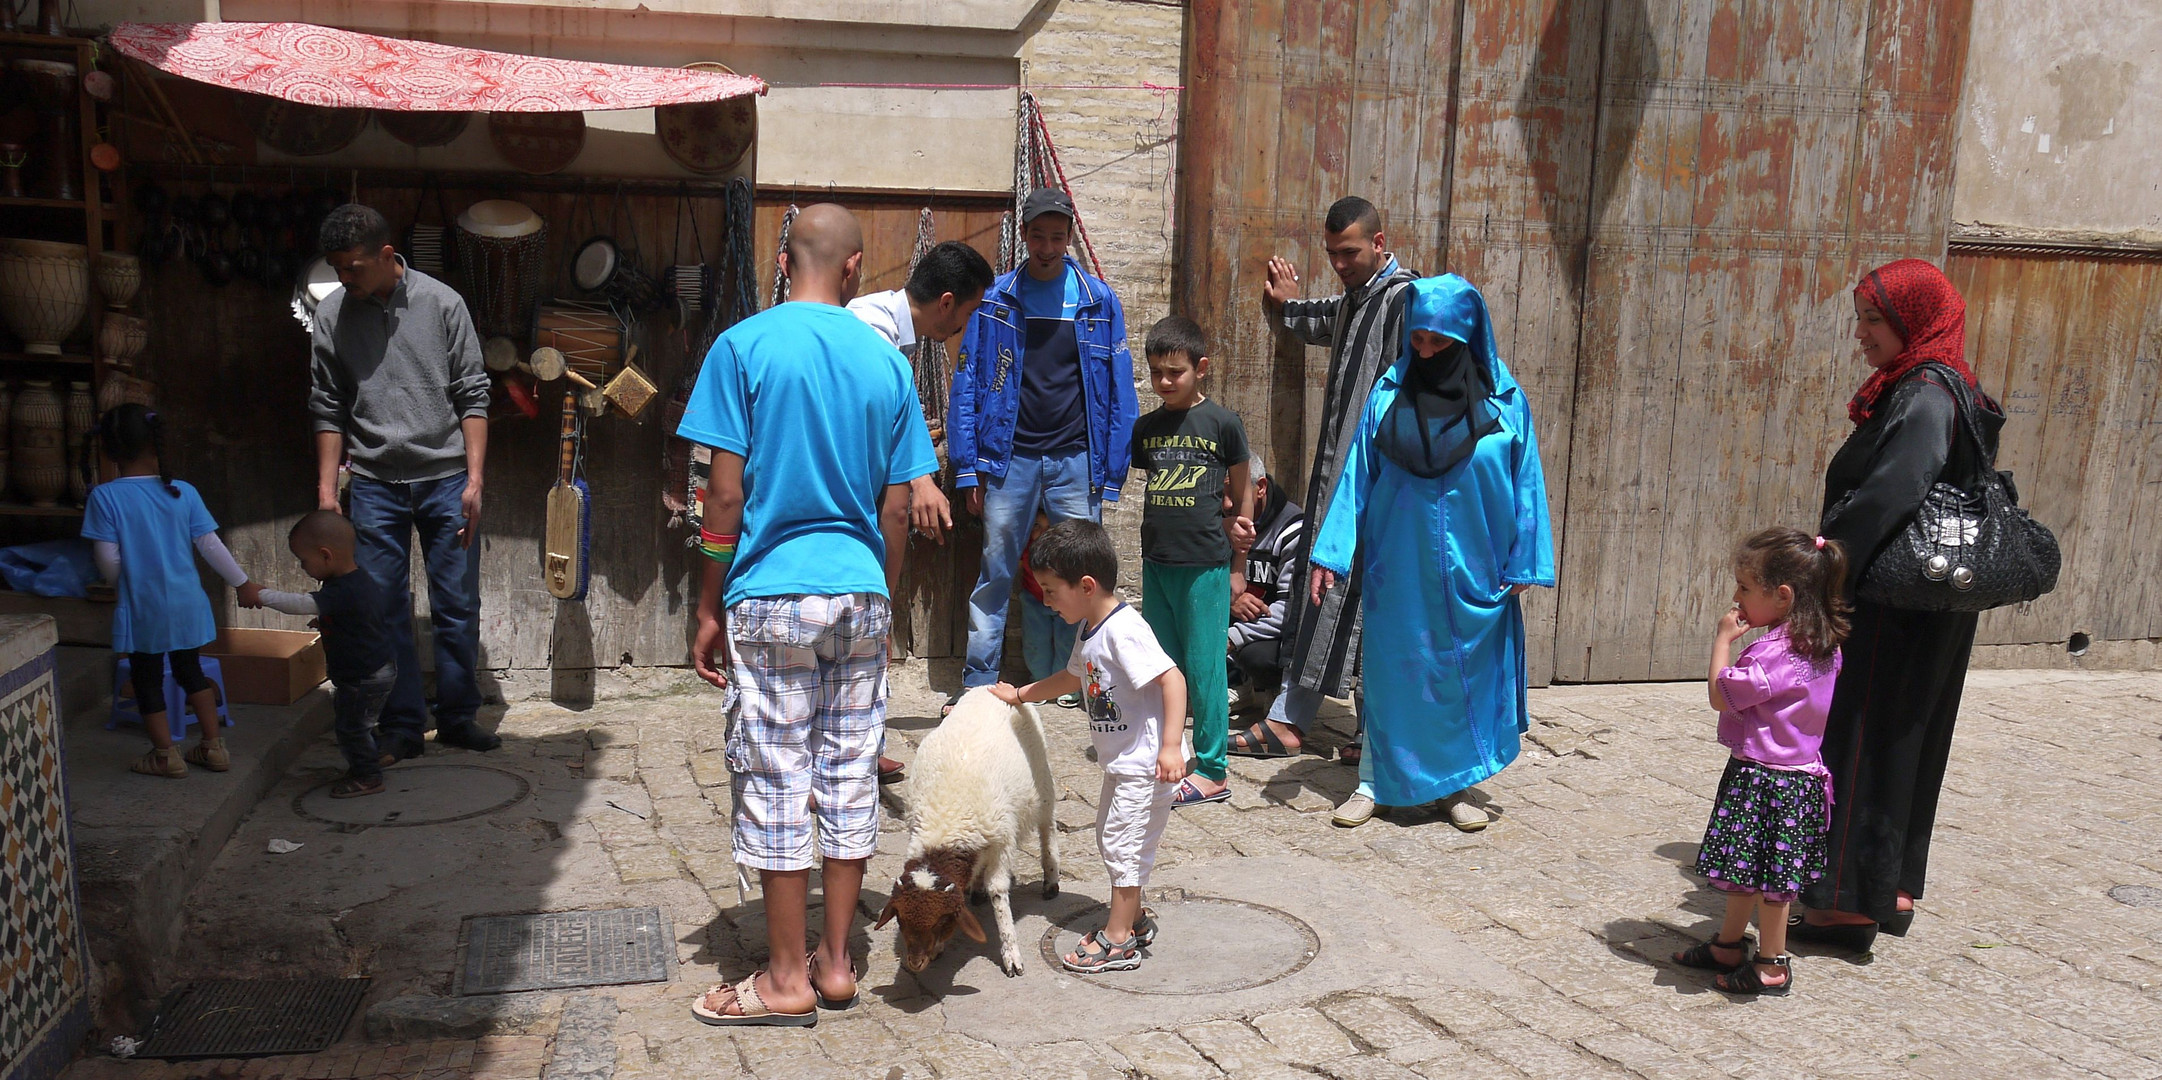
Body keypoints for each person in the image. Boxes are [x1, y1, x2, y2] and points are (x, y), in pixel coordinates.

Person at [679, 204, 934, 1026]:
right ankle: (835, 964)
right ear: (856, 267)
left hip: (768, 595)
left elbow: (724, 492)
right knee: (850, 771)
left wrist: (709, 600)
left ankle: (783, 978)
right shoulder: (889, 363)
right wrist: (882, 601)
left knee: (778, 779)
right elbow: (896, 512)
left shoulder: (743, 347)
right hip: (859, 591)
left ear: (784, 261)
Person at [1791, 259, 2003, 953]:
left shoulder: (1925, 392)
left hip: (1887, 599)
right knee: (1907, 737)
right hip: (1925, 600)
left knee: (1864, 737)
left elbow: (1892, 492)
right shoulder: (1943, 384)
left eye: (1874, 319)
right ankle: (1892, 885)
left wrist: (1824, 566)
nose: (1861, 334)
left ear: (1914, 319)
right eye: (1861, 317)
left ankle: (1847, 906)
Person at [1306, 274, 1554, 830]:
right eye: (1418, 340)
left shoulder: (1506, 404)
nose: (1426, 352)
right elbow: (1355, 480)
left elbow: (1527, 484)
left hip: (1477, 567)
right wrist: (1332, 554)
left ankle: (1457, 786)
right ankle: (1374, 781)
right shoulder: (1389, 397)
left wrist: (1526, 560)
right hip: (1399, 567)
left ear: (1467, 339)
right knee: (1395, 675)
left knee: (1462, 674)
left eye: (1439, 343)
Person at [310, 203, 498, 760]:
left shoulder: (443, 304)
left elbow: (473, 393)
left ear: (388, 256)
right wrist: (327, 494)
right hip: (371, 484)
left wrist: (475, 478)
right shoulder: (332, 315)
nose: (346, 280)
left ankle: (460, 715)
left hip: (446, 480)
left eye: (355, 268)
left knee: (457, 604)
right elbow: (327, 407)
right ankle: (402, 725)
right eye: (338, 270)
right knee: (384, 606)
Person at [948, 187, 1137, 708]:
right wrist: (969, 469)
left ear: (1070, 236)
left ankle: (1091, 679)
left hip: (1077, 459)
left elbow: (1121, 388)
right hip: (1009, 461)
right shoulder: (997, 301)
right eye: (1038, 235)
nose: (1047, 246)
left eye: (1057, 236)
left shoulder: (1099, 301)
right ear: (1024, 234)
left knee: (1086, 574)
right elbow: (967, 384)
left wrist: (1112, 468)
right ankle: (977, 682)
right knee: (997, 570)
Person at [1253, 196, 1419, 778]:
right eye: (1332, 255)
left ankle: (1370, 730)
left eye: (1349, 252)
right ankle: (1304, 717)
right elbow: (1318, 317)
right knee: (1328, 590)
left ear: (1379, 242)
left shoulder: (1407, 301)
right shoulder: (1355, 301)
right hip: (1340, 482)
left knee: (1377, 602)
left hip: (1384, 484)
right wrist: (1284, 304)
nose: (1341, 264)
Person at [994, 520, 1186, 973]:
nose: (1045, 600)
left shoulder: (1124, 630)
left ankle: (1119, 939)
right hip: (1123, 763)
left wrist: (1172, 746)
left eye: (1050, 590)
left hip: (1146, 765)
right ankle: (1133, 918)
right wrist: (1021, 694)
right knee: (1111, 838)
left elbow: (1172, 678)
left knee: (1124, 846)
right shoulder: (1090, 628)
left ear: (1085, 585)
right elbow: (1071, 678)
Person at [1671, 528, 1849, 996]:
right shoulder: (1824, 647)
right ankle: (1729, 944)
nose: (1736, 596)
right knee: (1749, 871)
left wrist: (1722, 640)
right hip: (1798, 779)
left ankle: (1772, 964)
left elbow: (1720, 695)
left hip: (1765, 780)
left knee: (1769, 884)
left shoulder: (1773, 656)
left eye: (1746, 588)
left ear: (1783, 595)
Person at [848, 238, 996, 781]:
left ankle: (861, 743)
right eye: (969, 313)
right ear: (947, 302)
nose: (964, 327)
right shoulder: (875, 335)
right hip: (851, 501)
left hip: (865, 491)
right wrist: (920, 475)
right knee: (864, 619)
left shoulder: (886, 328)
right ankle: (847, 752)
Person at [81, 405, 259, 777]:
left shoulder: (105, 497)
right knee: (190, 669)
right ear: (155, 446)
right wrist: (242, 583)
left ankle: (165, 755)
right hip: (186, 600)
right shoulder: (183, 491)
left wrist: (125, 589)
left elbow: (106, 557)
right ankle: (213, 748)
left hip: (142, 604)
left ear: (109, 451)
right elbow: (210, 544)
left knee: (146, 677)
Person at [1128, 316, 1253, 806]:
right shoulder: (1147, 428)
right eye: (1156, 372)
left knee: (1205, 669)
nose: (1164, 382)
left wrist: (1239, 563)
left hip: (1205, 565)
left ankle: (1215, 768)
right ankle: (1170, 752)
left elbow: (1242, 494)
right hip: (1157, 561)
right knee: (1163, 666)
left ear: (1201, 368)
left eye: (1174, 372)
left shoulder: (1224, 424)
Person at [246, 511, 399, 799]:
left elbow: (301, 604)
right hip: (371, 671)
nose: (303, 568)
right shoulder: (355, 582)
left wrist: (261, 594)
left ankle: (368, 776)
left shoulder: (345, 589)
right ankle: (373, 755)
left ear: (325, 555)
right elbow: (357, 617)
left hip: (364, 675)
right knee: (360, 722)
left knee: (351, 728)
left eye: (304, 561)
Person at [1225, 454, 1305, 739]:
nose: (1226, 503)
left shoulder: (1293, 528)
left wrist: (1234, 637)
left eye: (1232, 493)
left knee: (1258, 655)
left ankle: (1274, 692)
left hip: (1271, 630)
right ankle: (1237, 684)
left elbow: (1292, 609)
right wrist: (1229, 596)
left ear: (1260, 487)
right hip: (1240, 617)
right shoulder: (1222, 519)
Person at [1016, 512, 1080, 703]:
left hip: (1064, 602)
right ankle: (1039, 683)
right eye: (1036, 525)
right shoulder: (1026, 549)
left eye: (1048, 526)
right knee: (1035, 643)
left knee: (1066, 643)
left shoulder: (1066, 552)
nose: (1043, 531)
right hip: (1034, 601)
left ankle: (1066, 687)